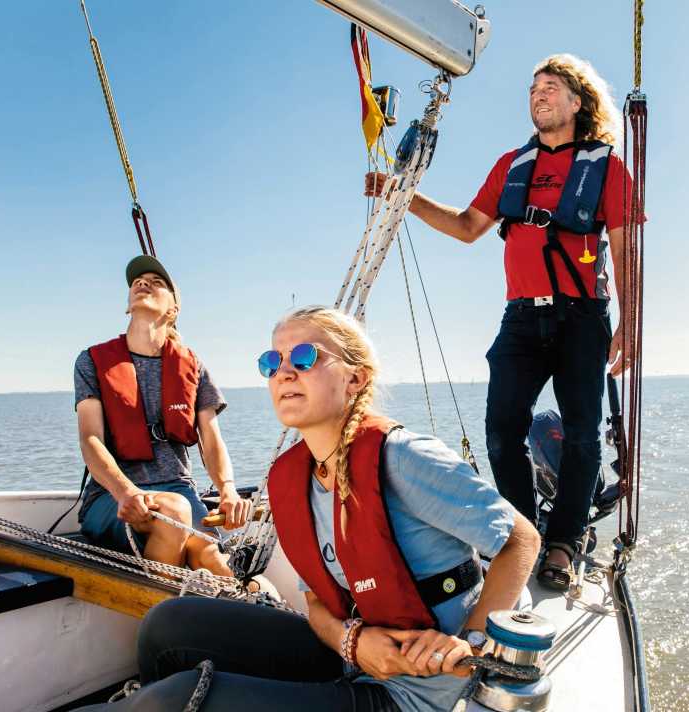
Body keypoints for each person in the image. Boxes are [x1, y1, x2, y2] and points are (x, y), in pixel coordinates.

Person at [74, 306, 540, 712]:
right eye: (272, 362)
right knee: (166, 626)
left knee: (179, 700)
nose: (284, 372)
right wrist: (353, 643)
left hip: (408, 695)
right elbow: (317, 603)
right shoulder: (292, 480)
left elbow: (521, 540)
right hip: (347, 657)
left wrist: (471, 641)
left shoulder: (402, 458)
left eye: (304, 357)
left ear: (355, 378)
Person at [365, 54, 639, 589]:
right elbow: (468, 226)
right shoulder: (512, 166)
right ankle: (523, 533)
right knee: (501, 431)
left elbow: (626, 248)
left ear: (578, 101)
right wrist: (405, 197)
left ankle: (562, 543)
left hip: (582, 317)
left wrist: (629, 320)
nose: (539, 94)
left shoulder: (606, 167)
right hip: (521, 319)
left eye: (551, 86)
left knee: (582, 435)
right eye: (533, 87)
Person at [74, 255, 249, 576]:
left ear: (173, 310)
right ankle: (162, 611)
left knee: (215, 560)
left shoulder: (192, 366)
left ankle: (258, 606)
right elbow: (90, 439)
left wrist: (228, 489)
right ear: (128, 306)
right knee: (175, 511)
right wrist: (126, 492)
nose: (143, 283)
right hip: (111, 497)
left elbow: (211, 439)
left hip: (178, 488)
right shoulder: (92, 361)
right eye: (137, 282)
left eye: (156, 282)